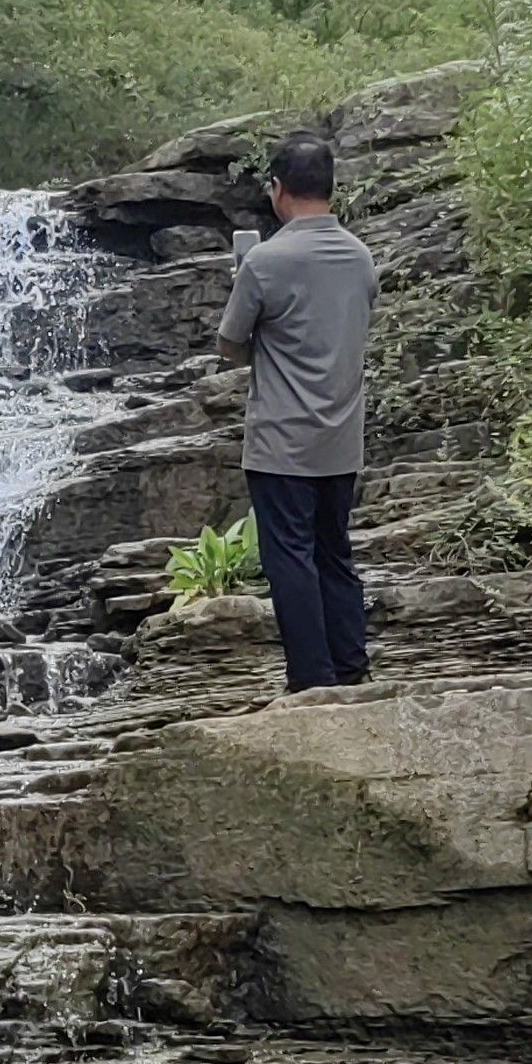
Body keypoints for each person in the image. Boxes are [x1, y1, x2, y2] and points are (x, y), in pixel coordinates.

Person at [216, 131, 378, 694]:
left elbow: (230, 344)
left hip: (281, 442)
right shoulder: (361, 258)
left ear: (278, 189)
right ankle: (351, 666)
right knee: (335, 553)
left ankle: (311, 680)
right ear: (331, 190)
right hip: (341, 439)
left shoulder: (264, 261)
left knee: (290, 559)